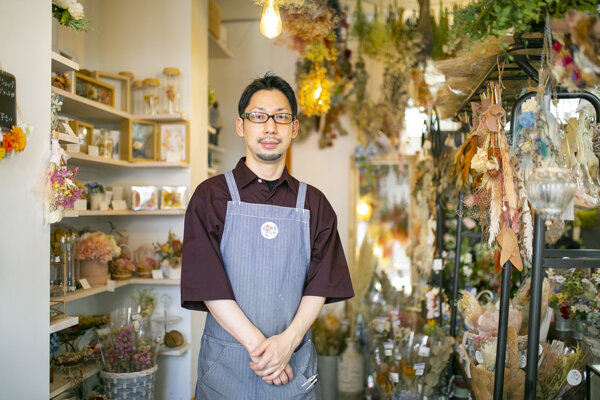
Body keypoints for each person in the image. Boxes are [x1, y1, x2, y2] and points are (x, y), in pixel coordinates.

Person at [181, 73, 354, 399]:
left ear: (294, 128)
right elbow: (207, 283)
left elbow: (320, 286)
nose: (270, 127)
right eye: (258, 117)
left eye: (281, 117)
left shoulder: (314, 204)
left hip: (294, 365)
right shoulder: (211, 197)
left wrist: (287, 344)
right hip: (226, 368)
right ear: (241, 125)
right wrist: (266, 352)